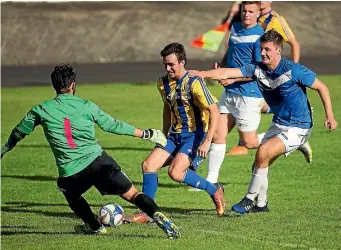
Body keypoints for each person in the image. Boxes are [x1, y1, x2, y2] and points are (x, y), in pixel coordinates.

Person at [0, 64, 181, 239]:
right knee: (133, 194)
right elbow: (113, 125)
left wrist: (5, 148)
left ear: (54, 86)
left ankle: (94, 226)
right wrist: (146, 133)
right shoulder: (86, 105)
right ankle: (158, 215)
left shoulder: (41, 109)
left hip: (71, 172)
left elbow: (19, 132)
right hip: (99, 163)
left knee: (71, 194)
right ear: (73, 85)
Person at [188, 30, 338, 213]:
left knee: (263, 152)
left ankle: (249, 199)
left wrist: (330, 116)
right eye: (261, 49)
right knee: (259, 162)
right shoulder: (257, 68)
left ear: (278, 51)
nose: (263, 53)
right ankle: (261, 204)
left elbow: (322, 87)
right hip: (279, 123)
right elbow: (227, 71)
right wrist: (201, 74)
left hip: (299, 126)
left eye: (267, 49)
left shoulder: (293, 70)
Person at [124, 43, 227, 223]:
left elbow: (214, 111)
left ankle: (214, 189)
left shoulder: (195, 82)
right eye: (165, 64)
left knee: (176, 173)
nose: (167, 68)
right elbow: (167, 107)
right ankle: (148, 212)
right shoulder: (162, 83)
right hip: (174, 135)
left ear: (182, 62)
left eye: (171, 64)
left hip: (195, 135)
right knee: (148, 165)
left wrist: (207, 141)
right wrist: (164, 135)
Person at [190, 1, 266, 191]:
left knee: (249, 142)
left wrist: (232, 79)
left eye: (251, 11)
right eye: (244, 10)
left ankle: (287, 137)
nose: (246, 14)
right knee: (218, 135)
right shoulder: (235, 27)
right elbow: (229, 53)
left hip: (248, 94)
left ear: (258, 13)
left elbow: (258, 70)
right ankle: (210, 182)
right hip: (230, 92)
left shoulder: (260, 36)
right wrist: (222, 67)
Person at [226, 1, 303, 155]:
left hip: (267, 72)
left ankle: (289, 138)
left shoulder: (276, 19)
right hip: (248, 76)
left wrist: (293, 72)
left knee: (256, 102)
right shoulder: (248, 16)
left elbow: (295, 44)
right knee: (255, 105)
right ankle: (243, 143)